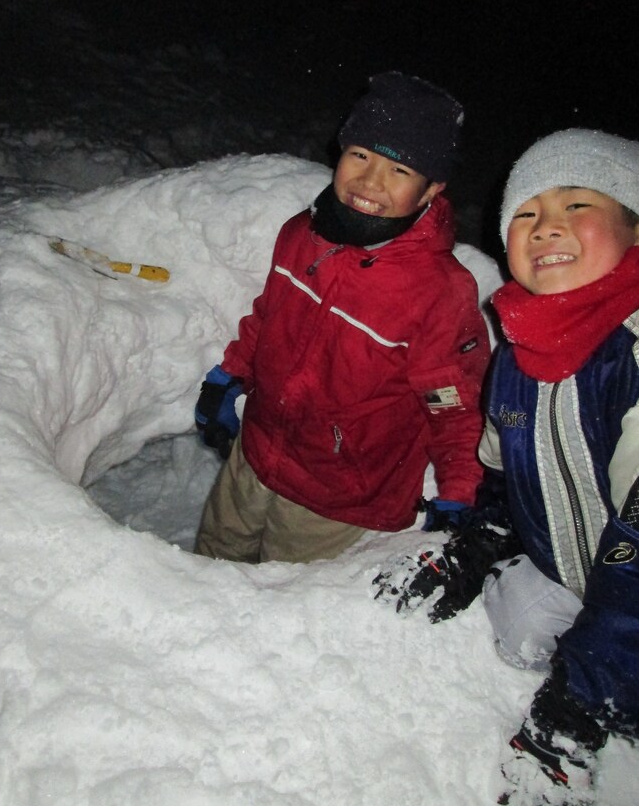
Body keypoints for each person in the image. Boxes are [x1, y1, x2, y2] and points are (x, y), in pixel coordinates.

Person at [374, 129, 639, 804]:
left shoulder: (630, 353)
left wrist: (582, 700)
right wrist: (482, 543)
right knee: (514, 624)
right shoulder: (518, 358)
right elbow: (501, 473)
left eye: (578, 204)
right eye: (526, 213)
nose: (548, 226)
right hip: (582, 572)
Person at [193, 70, 490, 564]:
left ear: (432, 189)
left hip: (339, 496)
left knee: (277, 601)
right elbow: (271, 316)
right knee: (214, 558)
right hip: (259, 450)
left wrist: (459, 491)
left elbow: (455, 405)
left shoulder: (440, 292)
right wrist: (232, 373)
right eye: (360, 155)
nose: (370, 181)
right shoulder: (301, 235)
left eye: (399, 170)